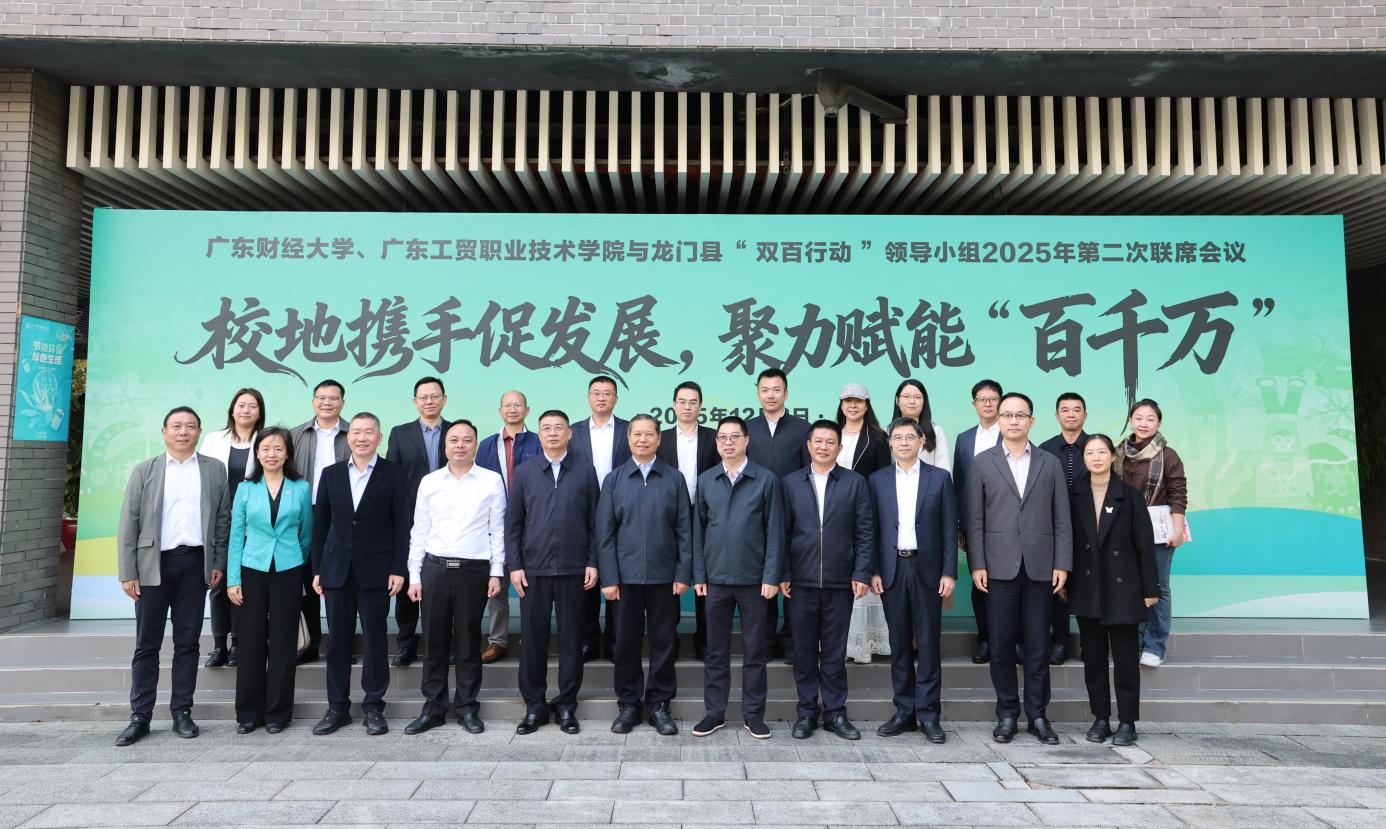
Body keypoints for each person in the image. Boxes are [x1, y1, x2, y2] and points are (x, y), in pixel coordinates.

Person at [114, 406, 230, 746]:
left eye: (190, 426)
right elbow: (128, 523)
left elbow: (222, 520)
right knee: (147, 644)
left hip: (195, 565)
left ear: (199, 432)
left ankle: (182, 711)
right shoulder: (145, 470)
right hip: (153, 566)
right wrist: (127, 571)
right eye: (176, 426)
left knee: (188, 642)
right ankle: (140, 716)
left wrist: (218, 562)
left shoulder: (214, 469)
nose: (183, 432)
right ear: (164, 432)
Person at [966, 392, 1072, 745]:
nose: (1013, 421)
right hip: (998, 568)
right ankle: (1007, 714)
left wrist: (1062, 563)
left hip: (1041, 568)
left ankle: (1038, 715)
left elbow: (1062, 518)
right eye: (1007, 415)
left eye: (1020, 415)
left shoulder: (1049, 463)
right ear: (998, 420)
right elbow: (974, 520)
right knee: (1000, 644)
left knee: (1038, 644)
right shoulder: (982, 463)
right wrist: (977, 563)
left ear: (1031, 421)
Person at [310, 413, 411, 737]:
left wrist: (399, 568)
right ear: (348, 437)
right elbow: (320, 526)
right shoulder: (331, 474)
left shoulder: (394, 474)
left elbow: (402, 526)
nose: (362, 437)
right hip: (336, 571)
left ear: (379, 438)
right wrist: (317, 569)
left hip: (377, 572)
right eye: (356, 432)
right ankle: (336, 708)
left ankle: (374, 707)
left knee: (375, 640)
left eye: (369, 432)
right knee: (338, 642)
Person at [403, 420, 505, 736]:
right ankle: (433, 708)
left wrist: (496, 571)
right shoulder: (430, 482)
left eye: (467, 440)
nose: (460, 445)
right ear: (445, 446)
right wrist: (414, 574)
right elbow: (419, 529)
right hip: (434, 569)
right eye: (454, 440)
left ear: (475, 445)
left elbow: (498, 530)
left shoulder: (491, 481)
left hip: (473, 571)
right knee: (433, 642)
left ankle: (466, 708)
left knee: (468, 641)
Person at [505, 410, 600, 736]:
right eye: (546, 428)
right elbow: (513, 524)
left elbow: (595, 522)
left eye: (559, 428)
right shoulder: (525, 471)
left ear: (569, 433)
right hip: (534, 571)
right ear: (539, 434)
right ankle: (534, 706)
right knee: (533, 640)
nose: (553, 433)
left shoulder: (585, 470)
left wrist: (592, 561)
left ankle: (566, 705)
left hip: (574, 570)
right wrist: (515, 566)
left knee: (572, 640)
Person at [691, 415, 784, 740]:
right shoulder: (706, 480)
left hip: (754, 582)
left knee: (755, 652)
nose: (728, 443)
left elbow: (775, 532)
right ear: (716, 443)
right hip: (716, 580)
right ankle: (714, 713)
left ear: (747, 441)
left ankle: (753, 714)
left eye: (734, 437)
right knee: (715, 651)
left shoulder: (765, 479)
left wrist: (771, 576)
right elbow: (698, 531)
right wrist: (699, 574)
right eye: (722, 438)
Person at [599, 414, 692, 735]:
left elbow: (685, 530)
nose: (642, 440)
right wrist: (609, 578)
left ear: (658, 439)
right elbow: (605, 534)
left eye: (648, 434)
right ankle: (628, 704)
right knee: (625, 643)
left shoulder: (674, 478)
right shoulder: (614, 480)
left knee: (664, 642)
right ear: (628, 440)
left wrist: (683, 573)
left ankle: (659, 704)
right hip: (624, 580)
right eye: (636, 434)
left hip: (665, 577)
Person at [780, 420, 873, 741]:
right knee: (804, 652)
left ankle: (835, 713)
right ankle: (807, 712)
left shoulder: (854, 482)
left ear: (839, 447)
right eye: (817, 441)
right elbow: (782, 533)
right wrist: (784, 573)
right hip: (801, 582)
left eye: (829, 442)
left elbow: (864, 531)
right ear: (808, 446)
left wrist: (861, 572)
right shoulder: (790, 483)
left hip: (840, 581)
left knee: (834, 652)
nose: (823, 447)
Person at [868, 417, 958, 744]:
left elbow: (949, 528)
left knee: (929, 644)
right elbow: (871, 529)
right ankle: (904, 711)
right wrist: (873, 570)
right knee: (899, 643)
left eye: (910, 437)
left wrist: (949, 571)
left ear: (922, 441)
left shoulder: (940, 478)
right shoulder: (877, 480)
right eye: (898, 437)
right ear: (890, 443)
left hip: (928, 570)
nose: (904, 442)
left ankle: (929, 715)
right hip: (892, 570)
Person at [1068, 434, 1159, 746]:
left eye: (1101, 452)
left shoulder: (1129, 495)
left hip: (1123, 589)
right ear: (1084, 459)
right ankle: (1100, 719)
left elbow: (1144, 544)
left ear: (1111, 456)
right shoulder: (1073, 493)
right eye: (1090, 453)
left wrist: (1150, 587)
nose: (1096, 458)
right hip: (1087, 587)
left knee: (1125, 660)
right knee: (1093, 660)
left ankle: (1128, 722)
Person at [226, 427, 313, 734]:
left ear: (287, 453)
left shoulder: (301, 487)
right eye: (265, 449)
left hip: (288, 569)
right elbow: (236, 536)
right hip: (252, 567)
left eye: (278, 448)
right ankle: (249, 713)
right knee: (250, 641)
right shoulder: (246, 489)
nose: (271, 454)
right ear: (257, 453)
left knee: (283, 642)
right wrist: (233, 579)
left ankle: (277, 713)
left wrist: (295, 559)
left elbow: (306, 533)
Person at [1114, 398, 1188, 668]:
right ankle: (1133, 643)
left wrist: (1178, 529)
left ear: (1159, 423)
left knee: (1158, 587)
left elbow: (1178, 494)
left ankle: (1155, 645)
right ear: (1130, 421)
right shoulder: (1118, 452)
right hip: (1125, 528)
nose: (1143, 423)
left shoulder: (1168, 455)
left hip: (1158, 529)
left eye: (1150, 419)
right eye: (1138, 418)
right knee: (1131, 586)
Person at [384, 377, 450, 668]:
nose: (429, 401)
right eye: (423, 397)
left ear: (444, 399)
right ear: (415, 402)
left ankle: (441, 646)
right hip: (410, 517)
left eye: (435, 396)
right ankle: (406, 644)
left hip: (449, 518)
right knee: (408, 581)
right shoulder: (400, 434)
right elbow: (393, 477)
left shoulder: (454, 431)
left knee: (443, 587)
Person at [745, 368, 810, 664]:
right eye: (765, 390)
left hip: (794, 515)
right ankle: (766, 641)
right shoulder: (748, 429)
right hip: (756, 516)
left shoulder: (802, 429)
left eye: (776, 389)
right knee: (764, 580)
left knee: (794, 581)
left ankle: (793, 642)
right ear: (758, 393)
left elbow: (809, 472)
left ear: (786, 393)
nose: (770, 395)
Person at [199, 387, 264, 669]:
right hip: (220, 521)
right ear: (232, 409)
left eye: (252, 406)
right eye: (241, 405)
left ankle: (238, 643)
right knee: (219, 582)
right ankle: (218, 645)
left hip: (253, 524)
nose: (246, 410)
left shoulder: (265, 440)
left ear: (260, 412)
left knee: (243, 584)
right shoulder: (214, 440)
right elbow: (202, 479)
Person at [475, 389, 541, 663]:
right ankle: (498, 641)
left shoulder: (538, 442)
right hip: (496, 524)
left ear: (527, 410)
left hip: (533, 523)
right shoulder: (487, 445)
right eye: (507, 405)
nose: (512, 409)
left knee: (531, 584)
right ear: (500, 411)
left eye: (518, 405)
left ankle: (532, 639)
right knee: (497, 584)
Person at [569, 375, 631, 662]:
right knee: (587, 577)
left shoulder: (630, 430)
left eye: (608, 393)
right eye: (596, 393)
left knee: (617, 575)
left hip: (623, 510)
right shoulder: (574, 432)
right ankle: (588, 639)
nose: (602, 397)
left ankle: (616, 640)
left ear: (616, 398)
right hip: (584, 509)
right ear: (588, 397)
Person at [289, 379, 350, 664]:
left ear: (342, 403)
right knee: (307, 578)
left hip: (343, 513)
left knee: (343, 580)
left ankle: (342, 646)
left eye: (333, 398)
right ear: (313, 401)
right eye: (321, 397)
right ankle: (310, 644)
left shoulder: (353, 433)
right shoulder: (296, 434)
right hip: (305, 512)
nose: (327, 403)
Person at [655, 381, 717, 661]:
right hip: (670, 516)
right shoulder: (662, 438)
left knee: (705, 576)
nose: (687, 407)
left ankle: (704, 640)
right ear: (674, 405)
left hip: (706, 514)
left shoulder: (713, 437)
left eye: (693, 402)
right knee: (672, 576)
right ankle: (672, 639)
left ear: (700, 406)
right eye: (682, 401)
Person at [836, 383, 891, 665]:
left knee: (862, 572)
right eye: (848, 401)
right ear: (841, 404)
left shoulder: (878, 438)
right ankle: (838, 643)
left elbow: (883, 478)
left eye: (858, 401)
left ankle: (862, 645)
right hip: (832, 514)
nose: (853, 405)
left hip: (865, 511)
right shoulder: (831, 434)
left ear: (867, 405)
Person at [1037, 392, 1090, 666]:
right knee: (1056, 586)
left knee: (1088, 584)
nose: (1071, 414)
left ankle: (1091, 642)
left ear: (1085, 415)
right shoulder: (1044, 450)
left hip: (1089, 528)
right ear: (1057, 415)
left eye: (1076, 410)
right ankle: (1059, 641)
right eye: (1065, 410)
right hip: (1053, 528)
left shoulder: (1095, 446)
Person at [952, 379, 1002, 665]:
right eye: (982, 399)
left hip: (1006, 523)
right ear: (974, 404)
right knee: (980, 583)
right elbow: (959, 484)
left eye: (993, 399)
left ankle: (1010, 640)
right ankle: (985, 639)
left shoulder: (1011, 433)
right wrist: (961, 525)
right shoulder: (964, 439)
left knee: (1008, 582)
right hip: (974, 525)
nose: (988, 404)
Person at [893, 379, 950, 474]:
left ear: (924, 401)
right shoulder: (886, 432)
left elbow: (944, 468)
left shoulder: (936, 431)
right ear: (897, 400)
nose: (912, 401)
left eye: (917, 397)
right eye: (906, 396)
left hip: (929, 483)